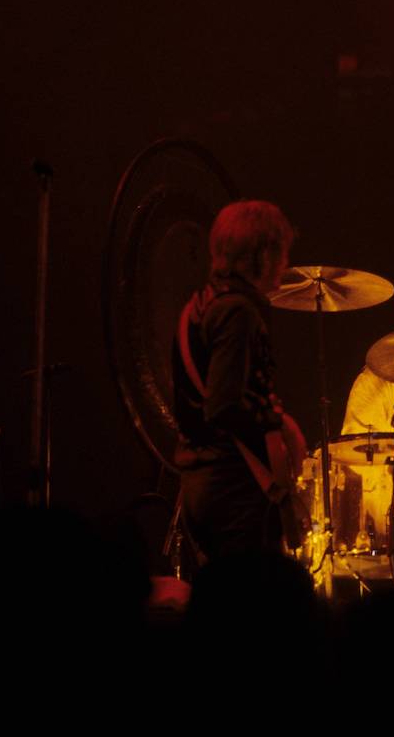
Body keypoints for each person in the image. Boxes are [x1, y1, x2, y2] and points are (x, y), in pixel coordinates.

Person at [173, 199, 304, 561]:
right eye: (280, 252)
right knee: (250, 604)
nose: (285, 263)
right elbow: (224, 404)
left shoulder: (198, 306)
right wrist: (278, 427)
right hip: (233, 484)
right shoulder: (238, 312)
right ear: (260, 254)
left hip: (201, 481)